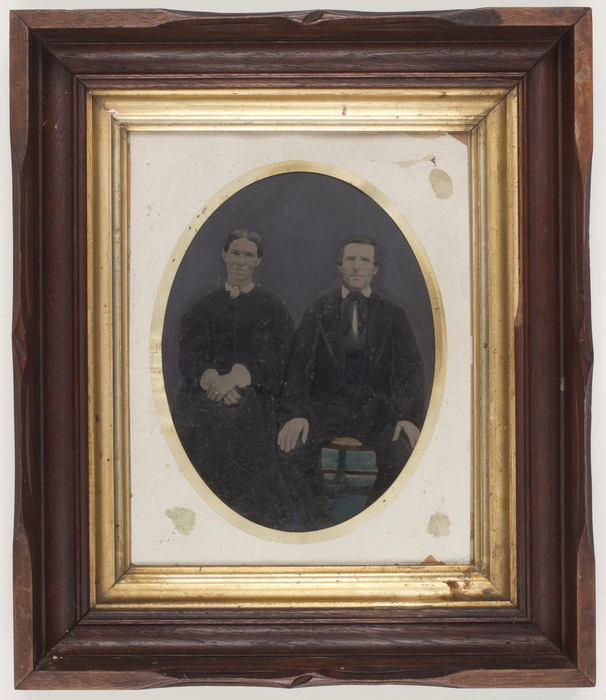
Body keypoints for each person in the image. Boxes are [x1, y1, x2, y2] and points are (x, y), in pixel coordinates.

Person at [277, 236, 425, 530]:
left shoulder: (393, 314)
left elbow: (410, 371)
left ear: (375, 268)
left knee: (404, 452)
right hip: (325, 408)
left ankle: (370, 525)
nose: (357, 266)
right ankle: (321, 525)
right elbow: (297, 367)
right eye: (351, 260)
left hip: (375, 411)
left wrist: (408, 417)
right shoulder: (318, 310)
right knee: (290, 449)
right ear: (340, 266)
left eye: (365, 260)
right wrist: (296, 414)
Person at [173, 229, 295, 530]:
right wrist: (215, 379)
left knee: (239, 418)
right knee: (200, 420)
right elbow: (190, 355)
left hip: (254, 391)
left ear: (258, 260)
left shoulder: (271, 306)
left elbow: (277, 357)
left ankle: (248, 516)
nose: (241, 261)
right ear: (224, 255)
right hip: (205, 391)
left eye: (249, 255)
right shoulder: (203, 306)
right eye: (236, 253)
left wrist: (235, 379)